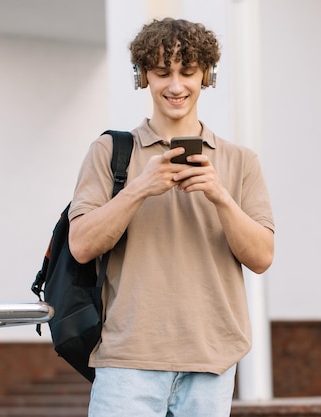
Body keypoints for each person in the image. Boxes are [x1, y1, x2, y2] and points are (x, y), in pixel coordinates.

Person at [68, 17, 275, 417]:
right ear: (143, 76)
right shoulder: (109, 152)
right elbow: (81, 246)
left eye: (188, 72)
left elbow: (262, 257)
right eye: (162, 72)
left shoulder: (240, 161)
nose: (176, 86)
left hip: (211, 360)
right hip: (128, 358)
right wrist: (140, 188)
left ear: (207, 76)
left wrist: (220, 197)